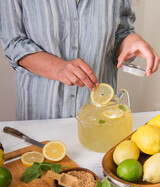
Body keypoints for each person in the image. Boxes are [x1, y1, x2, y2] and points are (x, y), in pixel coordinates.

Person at [0, 0, 159, 120]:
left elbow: (121, 32)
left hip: (99, 116)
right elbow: (13, 42)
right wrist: (58, 68)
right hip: (41, 116)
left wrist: (130, 41)